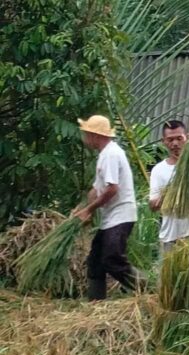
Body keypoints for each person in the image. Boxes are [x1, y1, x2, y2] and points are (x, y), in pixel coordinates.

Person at [72, 115, 140, 301]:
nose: (84, 137)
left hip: (120, 215)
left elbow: (112, 189)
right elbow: (96, 189)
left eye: (86, 133)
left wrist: (90, 210)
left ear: (95, 135)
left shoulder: (111, 154)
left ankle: (147, 289)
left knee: (112, 259)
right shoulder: (105, 154)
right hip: (111, 217)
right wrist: (82, 207)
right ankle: (96, 303)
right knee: (95, 261)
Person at [148, 120, 189, 260]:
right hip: (171, 236)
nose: (175, 143)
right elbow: (153, 205)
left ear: (187, 138)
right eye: (170, 139)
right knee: (170, 281)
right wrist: (172, 191)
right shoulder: (158, 170)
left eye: (179, 138)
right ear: (163, 141)